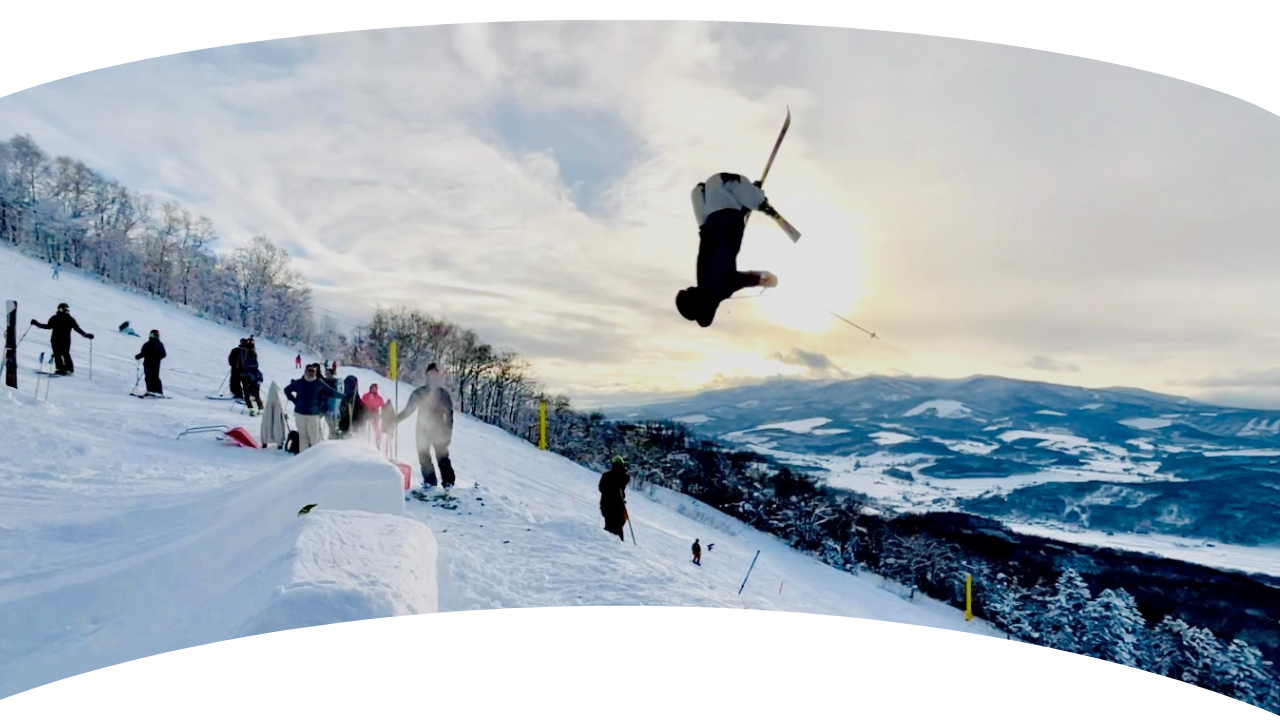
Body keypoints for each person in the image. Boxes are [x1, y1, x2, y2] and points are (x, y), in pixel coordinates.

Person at [675, 172, 782, 328]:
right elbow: (714, 243)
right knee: (716, 191)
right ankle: (748, 196)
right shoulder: (704, 280)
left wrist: (764, 279)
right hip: (711, 213)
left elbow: (740, 280)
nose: (690, 288)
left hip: (724, 212)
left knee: (740, 195)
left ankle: (758, 200)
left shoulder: (717, 289)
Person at [392, 363, 456, 489]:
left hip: (439, 429)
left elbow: (449, 415)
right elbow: (408, 410)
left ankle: (448, 482)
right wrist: (396, 420)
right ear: (427, 375)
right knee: (423, 455)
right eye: (431, 374)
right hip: (423, 429)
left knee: (442, 456)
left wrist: (448, 432)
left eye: (436, 374)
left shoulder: (443, 394)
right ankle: (430, 481)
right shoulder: (420, 393)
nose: (433, 377)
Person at [30, 303, 93, 375]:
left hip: (65, 340)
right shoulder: (55, 318)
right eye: (61, 309)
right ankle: (60, 369)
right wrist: (37, 324)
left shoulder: (70, 319)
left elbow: (77, 328)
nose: (63, 311)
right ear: (58, 309)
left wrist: (85, 334)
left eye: (65, 310)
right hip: (55, 339)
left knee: (65, 353)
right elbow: (48, 326)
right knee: (57, 354)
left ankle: (69, 369)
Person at [284, 363, 335, 452]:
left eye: (313, 371)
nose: (311, 373)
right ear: (305, 371)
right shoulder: (299, 383)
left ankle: (314, 457)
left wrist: (344, 397)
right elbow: (287, 389)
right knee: (303, 438)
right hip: (300, 413)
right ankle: (304, 457)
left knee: (314, 437)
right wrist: (293, 400)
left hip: (313, 414)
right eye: (309, 371)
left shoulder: (318, 383)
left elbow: (331, 392)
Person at [598, 455, 630, 542]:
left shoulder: (606, 475)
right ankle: (618, 541)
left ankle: (608, 541)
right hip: (619, 504)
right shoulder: (624, 477)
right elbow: (624, 481)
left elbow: (601, 488)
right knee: (619, 523)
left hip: (606, 503)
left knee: (609, 522)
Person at [134, 329, 167, 396]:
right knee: (151, 377)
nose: (155, 336)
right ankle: (153, 391)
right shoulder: (155, 344)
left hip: (152, 363)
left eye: (156, 335)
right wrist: (139, 356)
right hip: (151, 363)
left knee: (152, 377)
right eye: (155, 335)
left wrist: (156, 357)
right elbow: (144, 353)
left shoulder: (154, 344)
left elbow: (163, 354)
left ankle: (155, 391)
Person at [240, 338, 264, 417]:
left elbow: (260, 378)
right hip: (248, 382)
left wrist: (257, 383)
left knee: (256, 396)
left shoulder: (256, 371)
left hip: (253, 384)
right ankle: (252, 409)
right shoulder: (246, 353)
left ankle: (260, 409)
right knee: (247, 396)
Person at [361, 383, 388, 448]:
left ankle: (378, 442)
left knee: (376, 428)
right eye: (372, 388)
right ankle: (362, 438)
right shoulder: (365, 396)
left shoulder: (379, 398)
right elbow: (361, 403)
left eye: (375, 388)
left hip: (375, 413)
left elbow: (383, 406)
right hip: (366, 412)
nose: (373, 389)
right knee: (362, 424)